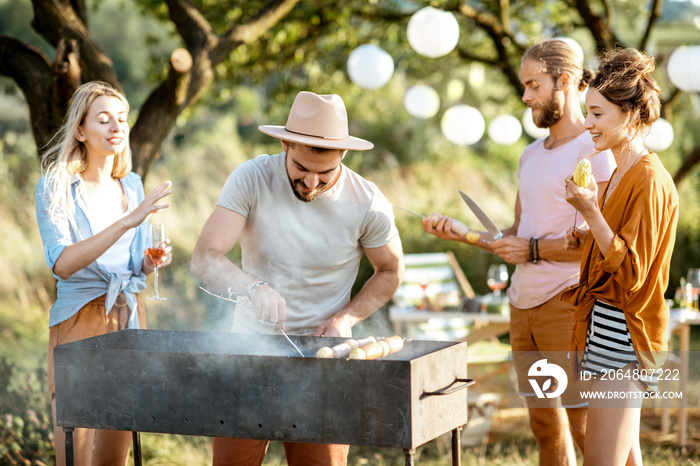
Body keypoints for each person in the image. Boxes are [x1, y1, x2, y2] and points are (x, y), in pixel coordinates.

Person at [422, 39, 615, 466]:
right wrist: (464, 234)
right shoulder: (530, 155)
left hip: (567, 303)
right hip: (521, 305)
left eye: (534, 85)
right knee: (544, 425)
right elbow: (515, 232)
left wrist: (529, 249)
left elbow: (596, 243)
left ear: (565, 81)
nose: (526, 96)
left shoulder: (593, 148)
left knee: (585, 426)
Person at [190, 91, 404, 466]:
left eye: (325, 173)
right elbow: (205, 257)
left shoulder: (368, 201)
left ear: (344, 154)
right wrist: (252, 287)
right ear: (285, 143)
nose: (310, 182)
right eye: (301, 168)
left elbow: (390, 270)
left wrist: (346, 319)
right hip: (249, 351)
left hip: (325, 361)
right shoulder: (251, 177)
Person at [35, 81, 173, 466]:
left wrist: (149, 263)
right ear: (80, 130)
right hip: (79, 319)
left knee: (115, 452)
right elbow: (61, 263)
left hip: (128, 316)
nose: (117, 127)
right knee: (74, 453)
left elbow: (133, 266)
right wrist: (130, 221)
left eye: (123, 119)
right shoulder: (56, 187)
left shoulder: (132, 184)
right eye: (104, 119)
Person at [563, 48, 678, 466]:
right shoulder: (618, 173)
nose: (587, 124)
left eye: (596, 114)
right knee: (626, 459)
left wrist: (591, 212)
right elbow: (616, 247)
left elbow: (631, 273)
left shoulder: (649, 178)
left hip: (625, 337)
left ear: (629, 114)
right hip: (605, 329)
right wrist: (587, 232)